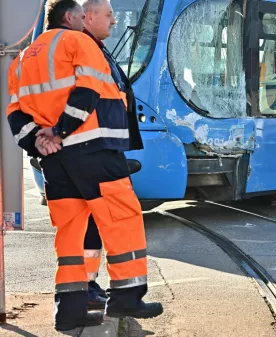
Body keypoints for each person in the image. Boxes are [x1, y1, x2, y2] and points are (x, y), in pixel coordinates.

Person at [5, 0, 162, 331]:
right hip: (94, 150)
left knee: (70, 235)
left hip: (54, 161)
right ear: (70, 17)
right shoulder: (79, 42)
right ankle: (127, 297)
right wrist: (60, 131)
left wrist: (40, 141)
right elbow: (88, 92)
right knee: (122, 219)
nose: (87, 21)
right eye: (82, 16)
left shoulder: (21, 60)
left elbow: (15, 114)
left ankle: (70, 311)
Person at [79, 0, 145, 310]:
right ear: (88, 17)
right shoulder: (85, 48)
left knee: (96, 222)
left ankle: (89, 287)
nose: (114, 21)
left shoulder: (96, 48)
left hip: (102, 147)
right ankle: (116, 294)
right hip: (95, 150)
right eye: (109, 15)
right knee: (115, 220)